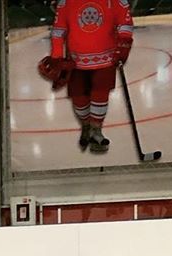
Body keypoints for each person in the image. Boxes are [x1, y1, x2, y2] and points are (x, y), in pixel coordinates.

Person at [38, 0, 134, 154]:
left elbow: (125, 23)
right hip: (75, 62)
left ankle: (96, 131)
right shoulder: (66, 3)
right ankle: (86, 126)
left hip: (106, 60)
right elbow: (58, 30)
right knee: (79, 100)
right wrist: (57, 57)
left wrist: (124, 43)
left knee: (100, 96)